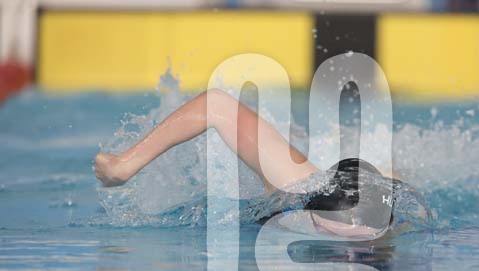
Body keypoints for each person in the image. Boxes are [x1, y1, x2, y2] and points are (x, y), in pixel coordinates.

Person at [94, 89, 395, 238]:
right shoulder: (293, 185)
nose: (347, 260)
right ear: (313, 217)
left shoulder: (384, 227)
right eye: (337, 243)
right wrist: (124, 165)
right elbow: (216, 105)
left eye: (361, 250)